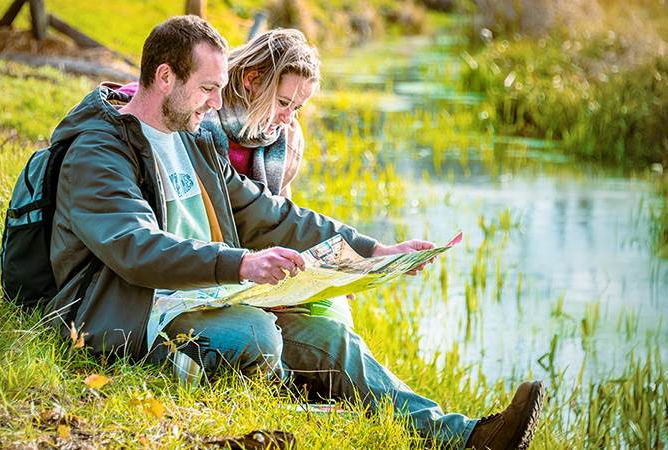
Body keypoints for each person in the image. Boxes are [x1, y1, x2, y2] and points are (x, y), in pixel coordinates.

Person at [41, 15, 542, 449]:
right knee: (256, 334)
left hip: (204, 296)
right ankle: (301, 403)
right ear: (166, 77)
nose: (218, 104)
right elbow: (134, 249)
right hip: (133, 309)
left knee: (331, 336)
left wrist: (373, 249)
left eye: (220, 88)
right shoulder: (99, 151)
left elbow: (269, 214)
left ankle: (464, 436)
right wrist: (238, 263)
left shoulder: (194, 140)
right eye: (209, 89)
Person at [199, 28, 356, 327]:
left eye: (297, 107)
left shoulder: (284, 137)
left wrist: (322, 269)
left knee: (334, 311)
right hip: (215, 265)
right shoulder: (200, 119)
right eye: (284, 102)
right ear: (252, 80)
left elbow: (280, 213)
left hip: (257, 266)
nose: (289, 117)